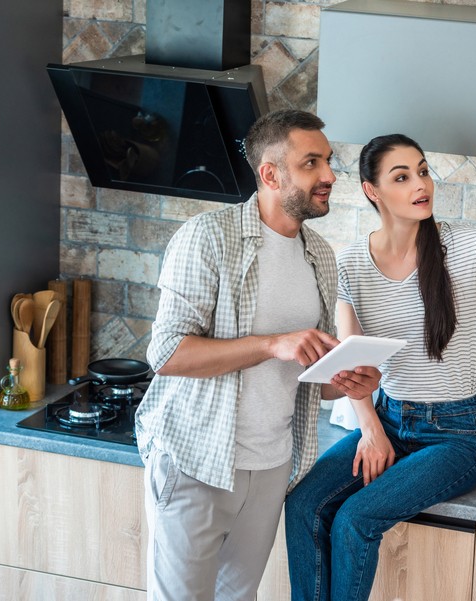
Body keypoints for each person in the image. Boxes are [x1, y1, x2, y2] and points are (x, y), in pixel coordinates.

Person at [285, 133, 476, 601]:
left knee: (356, 519)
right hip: (389, 422)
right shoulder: (352, 264)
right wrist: (372, 430)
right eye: (402, 177)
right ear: (372, 191)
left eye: (422, 171)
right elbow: (351, 369)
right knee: (303, 505)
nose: (420, 184)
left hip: (456, 438)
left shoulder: (465, 247)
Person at [134, 109, 382, 601]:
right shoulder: (208, 237)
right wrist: (273, 343)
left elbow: (310, 374)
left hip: (271, 466)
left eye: (328, 161)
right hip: (196, 460)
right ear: (270, 174)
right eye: (311, 163)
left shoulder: (319, 255)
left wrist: (348, 381)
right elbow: (166, 353)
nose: (329, 175)